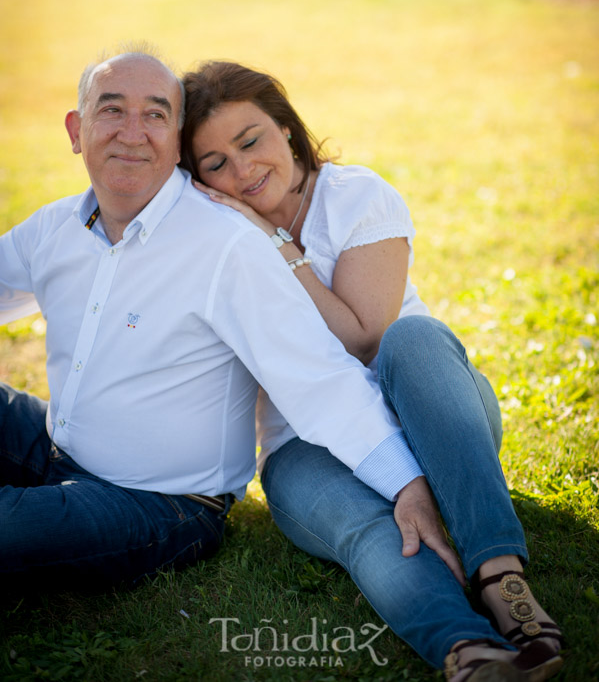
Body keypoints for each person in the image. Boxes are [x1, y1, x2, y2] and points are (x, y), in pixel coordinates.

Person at [0, 46, 442, 597]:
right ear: (76, 130)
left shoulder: (231, 243)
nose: (133, 132)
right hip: (54, 445)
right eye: (111, 110)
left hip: (160, 500)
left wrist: (407, 483)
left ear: (175, 141)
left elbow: (328, 368)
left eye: (156, 115)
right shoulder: (57, 226)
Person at [180, 59, 564, 682]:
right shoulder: (218, 235)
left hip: (435, 420)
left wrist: (278, 245)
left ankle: (501, 577)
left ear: (285, 128)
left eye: (250, 141)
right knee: (367, 527)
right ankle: (468, 650)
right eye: (215, 163)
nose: (242, 170)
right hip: (309, 446)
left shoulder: (354, 196)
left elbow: (363, 337)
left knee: (413, 336)